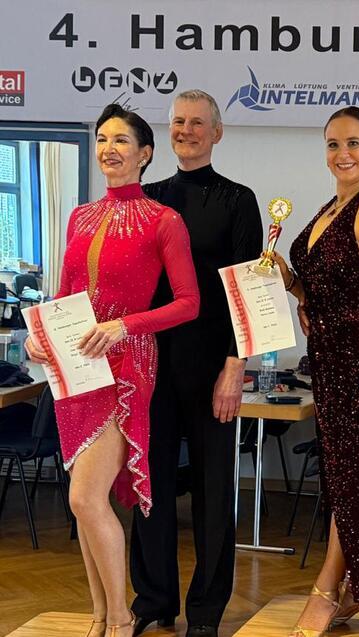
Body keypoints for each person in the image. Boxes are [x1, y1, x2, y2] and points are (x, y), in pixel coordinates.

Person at [25, 104, 200, 637]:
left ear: (145, 154)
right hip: (75, 364)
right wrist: (39, 336)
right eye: (102, 138)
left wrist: (125, 326)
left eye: (121, 140)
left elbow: (189, 303)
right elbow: (64, 296)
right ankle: (100, 616)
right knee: (84, 501)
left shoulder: (164, 220)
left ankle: (121, 619)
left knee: (84, 497)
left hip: (126, 363)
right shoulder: (80, 216)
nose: (108, 148)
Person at [128, 90, 262, 637]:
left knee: (212, 492)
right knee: (151, 486)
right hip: (150, 365)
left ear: (217, 132)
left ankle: (206, 611)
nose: (186, 130)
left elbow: (247, 293)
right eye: (179, 122)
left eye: (197, 123)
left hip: (212, 366)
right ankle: (153, 599)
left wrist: (235, 366)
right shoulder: (147, 198)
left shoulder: (238, 200)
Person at [272, 106, 359, 636]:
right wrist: (290, 281)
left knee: (357, 480)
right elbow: (325, 290)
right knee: (341, 477)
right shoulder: (331, 208)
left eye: (353, 143)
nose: (343, 153)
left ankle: (327, 590)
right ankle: (356, 590)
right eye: (333, 144)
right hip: (327, 361)